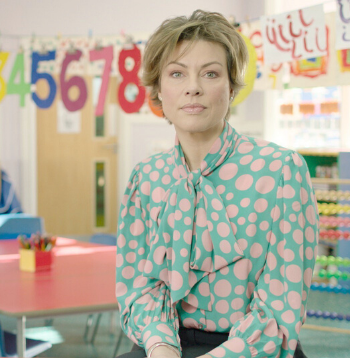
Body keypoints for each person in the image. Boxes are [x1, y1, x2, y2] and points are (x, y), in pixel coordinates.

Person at [115, 10, 319, 358]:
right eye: (177, 73)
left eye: (210, 73)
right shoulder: (145, 178)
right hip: (164, 344)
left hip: (255, 349)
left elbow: (281, 301)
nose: (193, 87)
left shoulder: (281, 170)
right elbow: (138, 286)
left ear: (231, 87)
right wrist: (160, 345)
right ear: (159, 90)